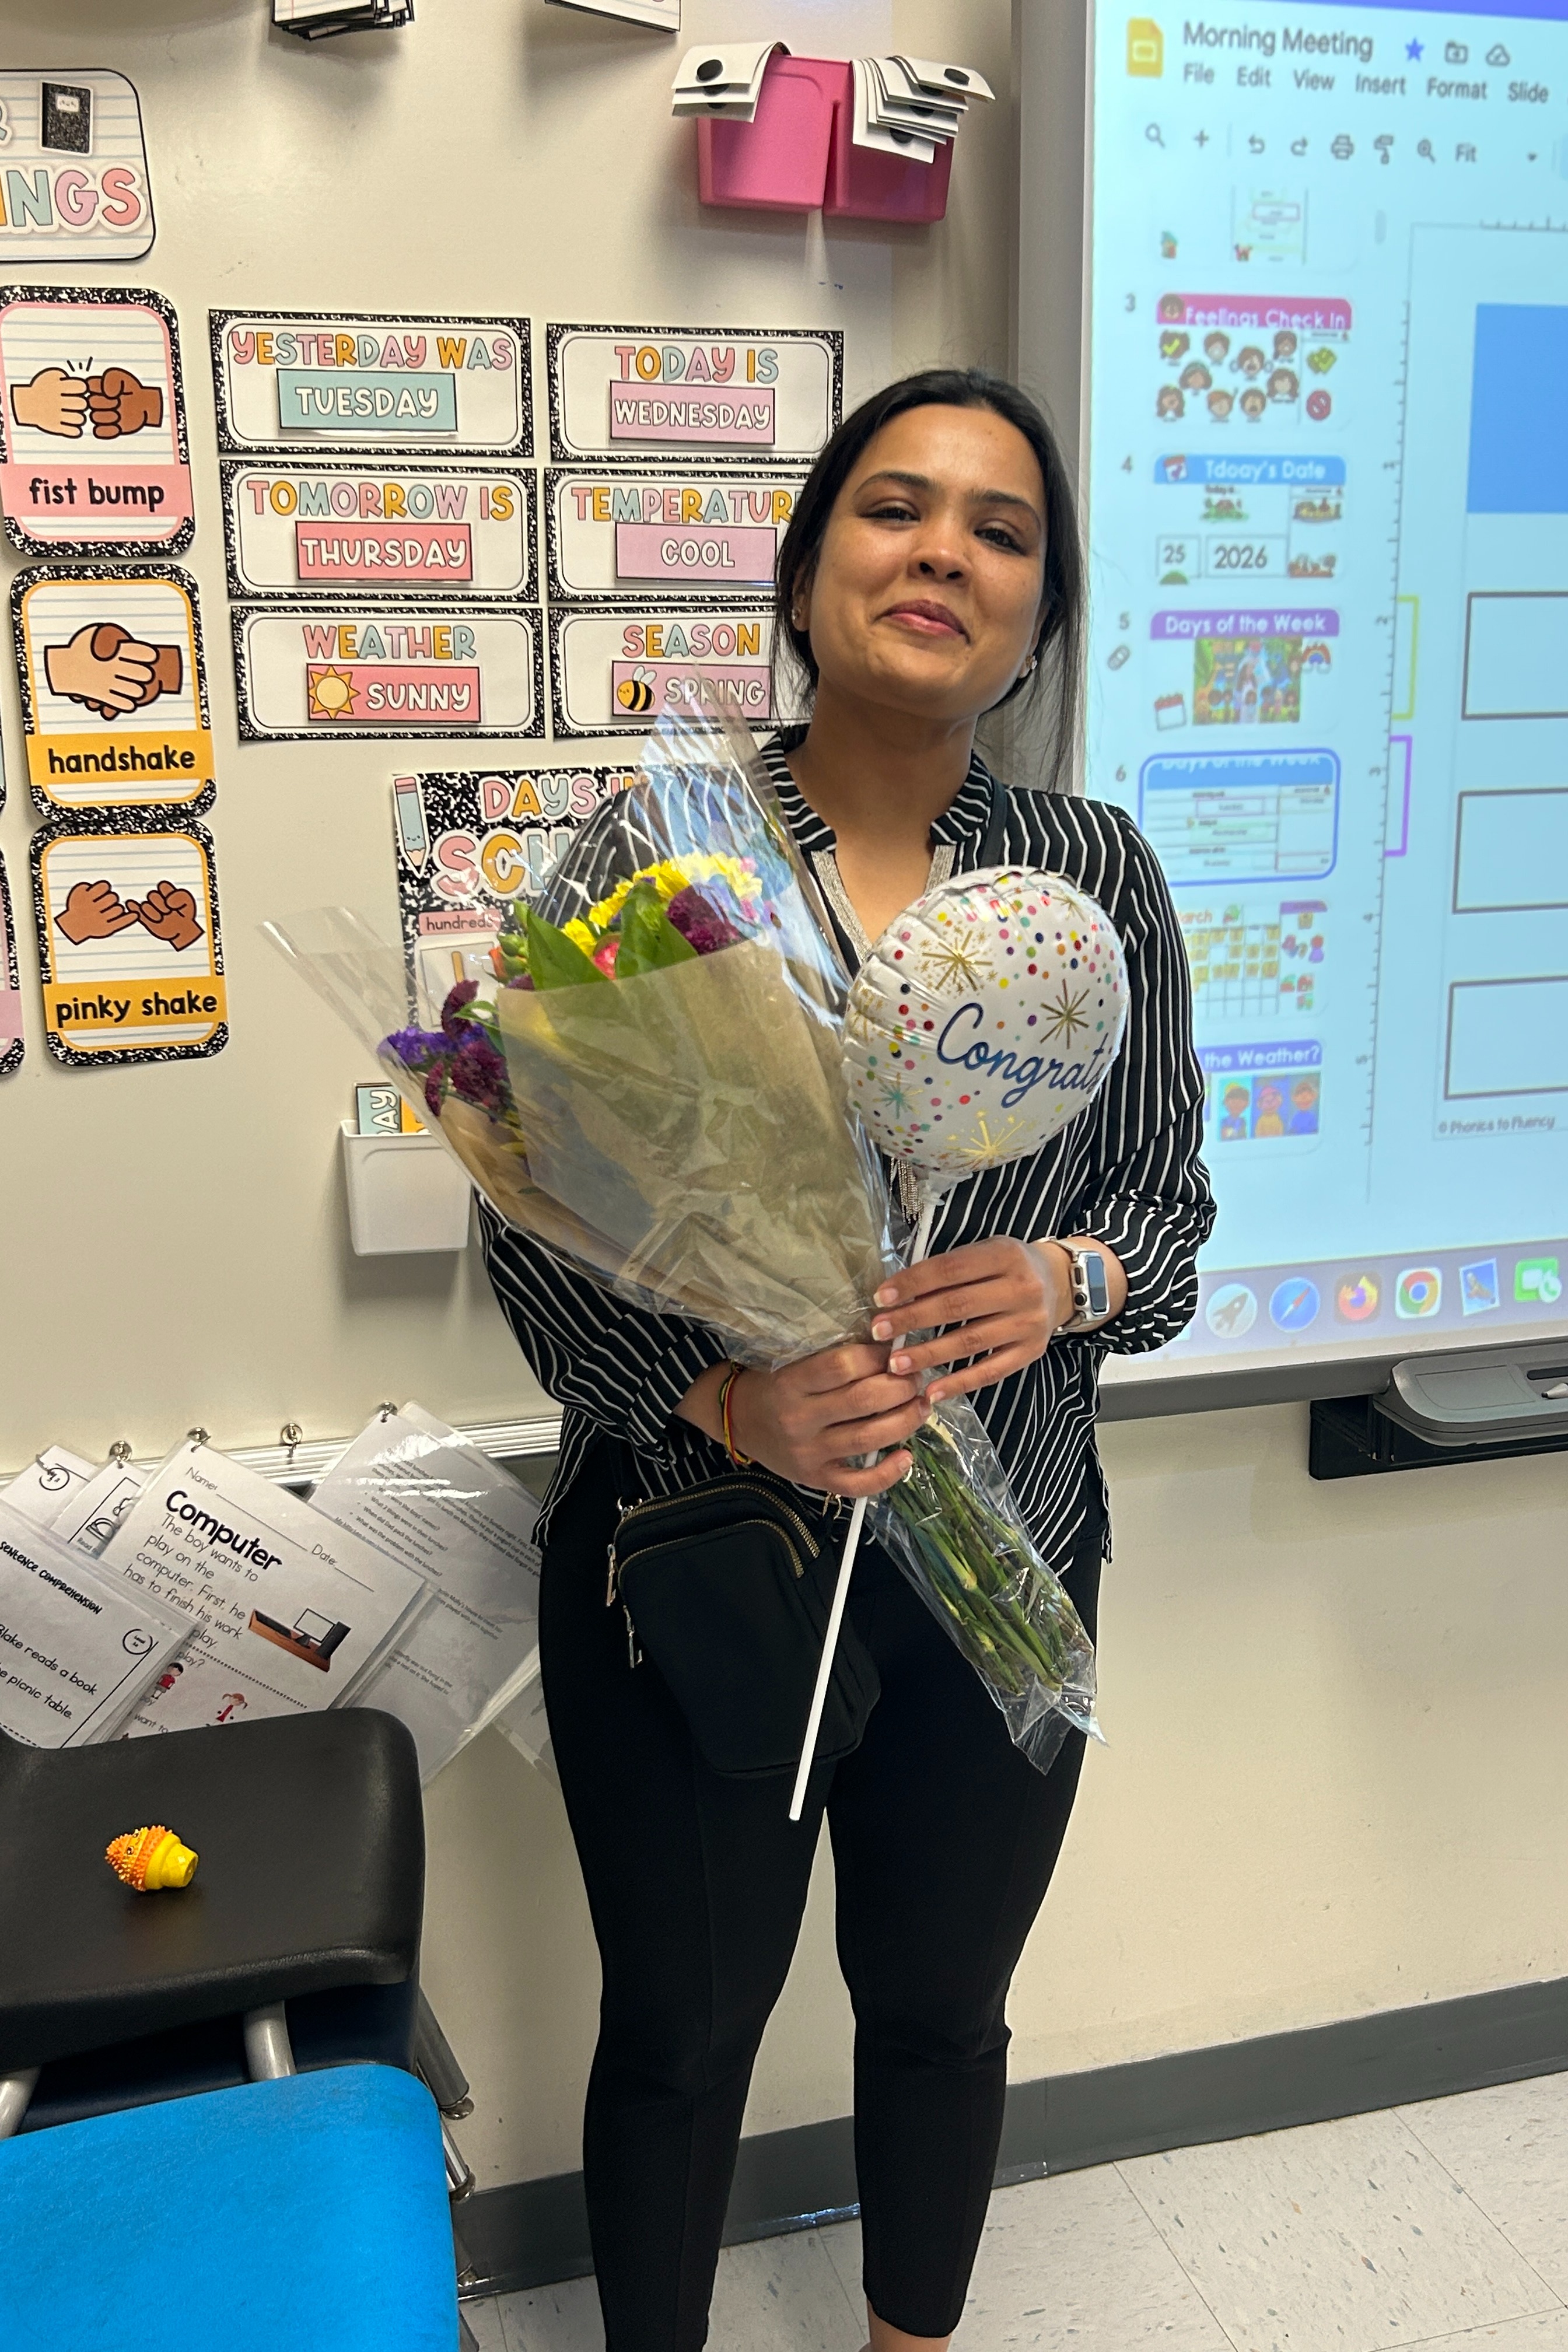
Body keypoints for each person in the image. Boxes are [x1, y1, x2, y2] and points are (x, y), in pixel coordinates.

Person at [480, 368, 1214, 2352]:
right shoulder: (664, 854)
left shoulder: (1095, 874)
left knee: (941, 2010)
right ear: (810, 571)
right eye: (896, 510)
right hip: (702, 1559)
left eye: (1000, 530)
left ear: (1037, 618)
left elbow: (1168, 1216)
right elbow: (525, 1218)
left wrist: (1065, 1278)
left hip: (1008, 1558)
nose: (944, 555)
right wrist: (724, 1397)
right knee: (685, 2029)